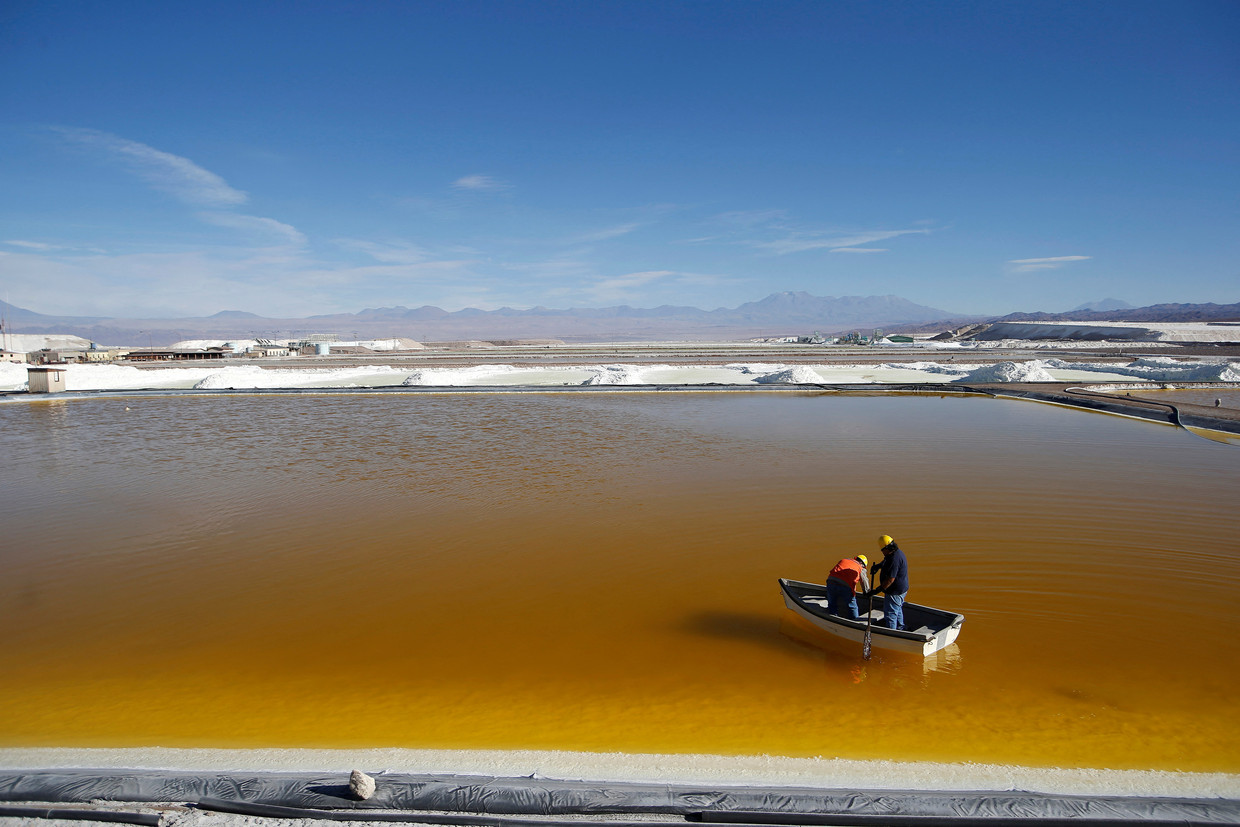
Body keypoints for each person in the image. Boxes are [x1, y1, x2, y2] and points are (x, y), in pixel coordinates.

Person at [866, 534, 909, 630]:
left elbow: (890, 579)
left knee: (890, 614)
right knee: (897, 610)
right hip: (901, 589)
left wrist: (877, 590)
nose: (882, 553)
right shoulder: (895, 553)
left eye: (882, 550)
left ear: (886, 548)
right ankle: (901, 628)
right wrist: (878, 566)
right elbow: (886, 561)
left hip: (895, 591)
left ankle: (891, 632)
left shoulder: (894, 559)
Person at [825, 554, 870, 620]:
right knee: (852, 606)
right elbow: (864, 581)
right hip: (845, 585)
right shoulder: (860, 567)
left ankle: (833, 618)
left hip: (831, 581)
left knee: (832, 604)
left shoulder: (844, 560)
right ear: (862, 564)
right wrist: (866, 591)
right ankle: (855, 621)